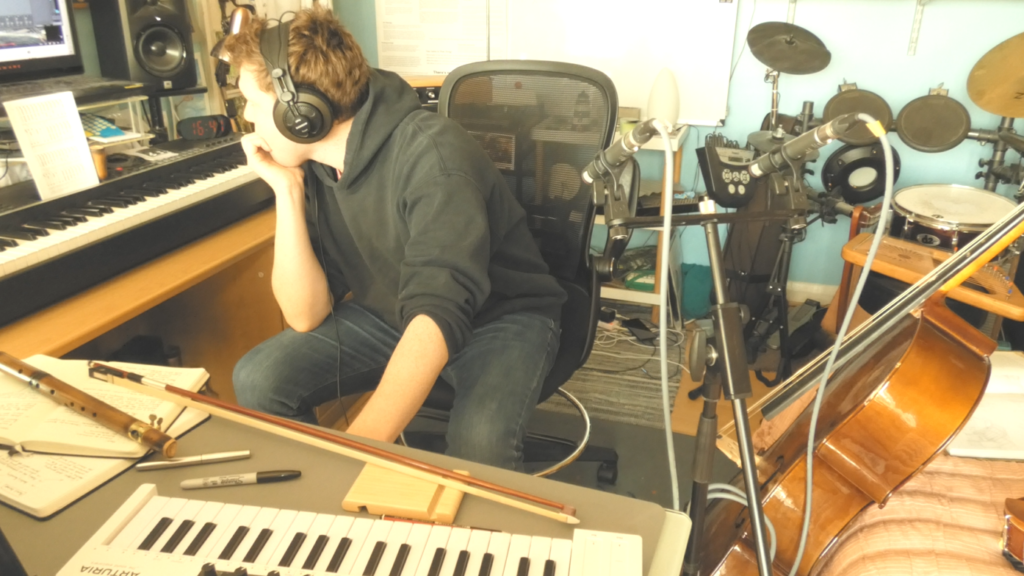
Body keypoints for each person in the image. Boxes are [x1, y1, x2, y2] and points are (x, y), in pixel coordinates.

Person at [224, 5, 567, 470]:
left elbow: (439, 312)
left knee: (480, 445)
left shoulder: (434, 157)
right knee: (259, 378)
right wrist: (287, 190)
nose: (246, 116)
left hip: (500, 315)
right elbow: (305, 315)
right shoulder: (317, 165)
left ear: (301, 112)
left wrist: (355, 453)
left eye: (251, 100)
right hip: (392, 308)